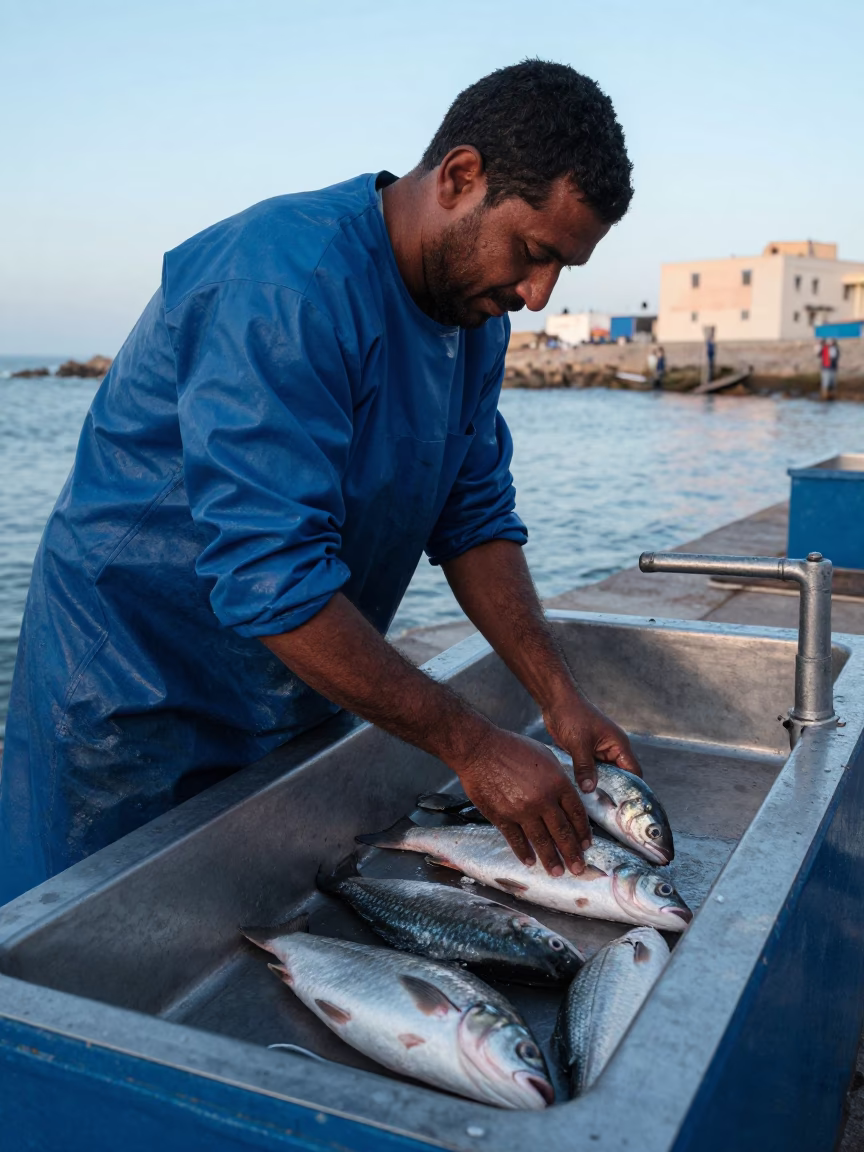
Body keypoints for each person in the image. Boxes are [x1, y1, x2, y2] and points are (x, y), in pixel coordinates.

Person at [0, 61, 638, 903]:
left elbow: (473, 515)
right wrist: (475, 748)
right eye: (532, 253)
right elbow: (270, 575)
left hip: (290, 685)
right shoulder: (279, 284)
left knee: (259, 920)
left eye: (563, 271)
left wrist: (560, 699)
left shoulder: (470, 322)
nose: (537, 294)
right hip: (131, 693)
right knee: (85, 953)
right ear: (459, 177)